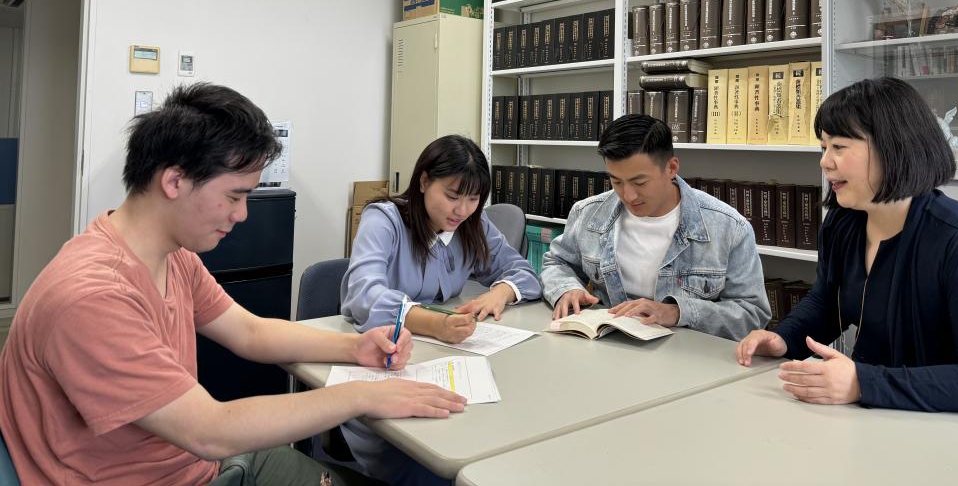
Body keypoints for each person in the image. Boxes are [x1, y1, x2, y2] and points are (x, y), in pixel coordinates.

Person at [0, 83, 465, 486]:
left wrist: (356, 349)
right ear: (174, 181)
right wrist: (363, 394)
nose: (242, 214)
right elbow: (210, 429)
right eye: (234, 196)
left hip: (198, 464)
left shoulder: (171, 255)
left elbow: (249, 332)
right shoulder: (93, 296)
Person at [736, 77, 958, 413]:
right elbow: (828, 302)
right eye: (823, 147)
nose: (825, 161)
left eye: (839, 147)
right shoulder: (844, 223)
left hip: (954, 435)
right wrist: (783, 339)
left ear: (893, 147)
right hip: (872, 418)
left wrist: (862, 383)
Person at [340, 134, 540, 485]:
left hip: (451, 372)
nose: (461, 210)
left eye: (474, 199)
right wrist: (433, 324)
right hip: (386, 372)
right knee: (432, 467)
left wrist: (502, 292)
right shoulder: (384, 219)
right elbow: (363, 294)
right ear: (423, 182)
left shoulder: (472, 225)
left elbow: (522, 271)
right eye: (452, 196)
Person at [541, 114, 770, 340]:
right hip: (609, 348)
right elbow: (558, 262)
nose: (628, 195)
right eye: (616, 181)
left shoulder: (729, 227)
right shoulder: (587, 213)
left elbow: (752, 315)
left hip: (689, 357)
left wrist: (677, 312)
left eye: (640, 182)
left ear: (671, 168)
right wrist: (566, 289)